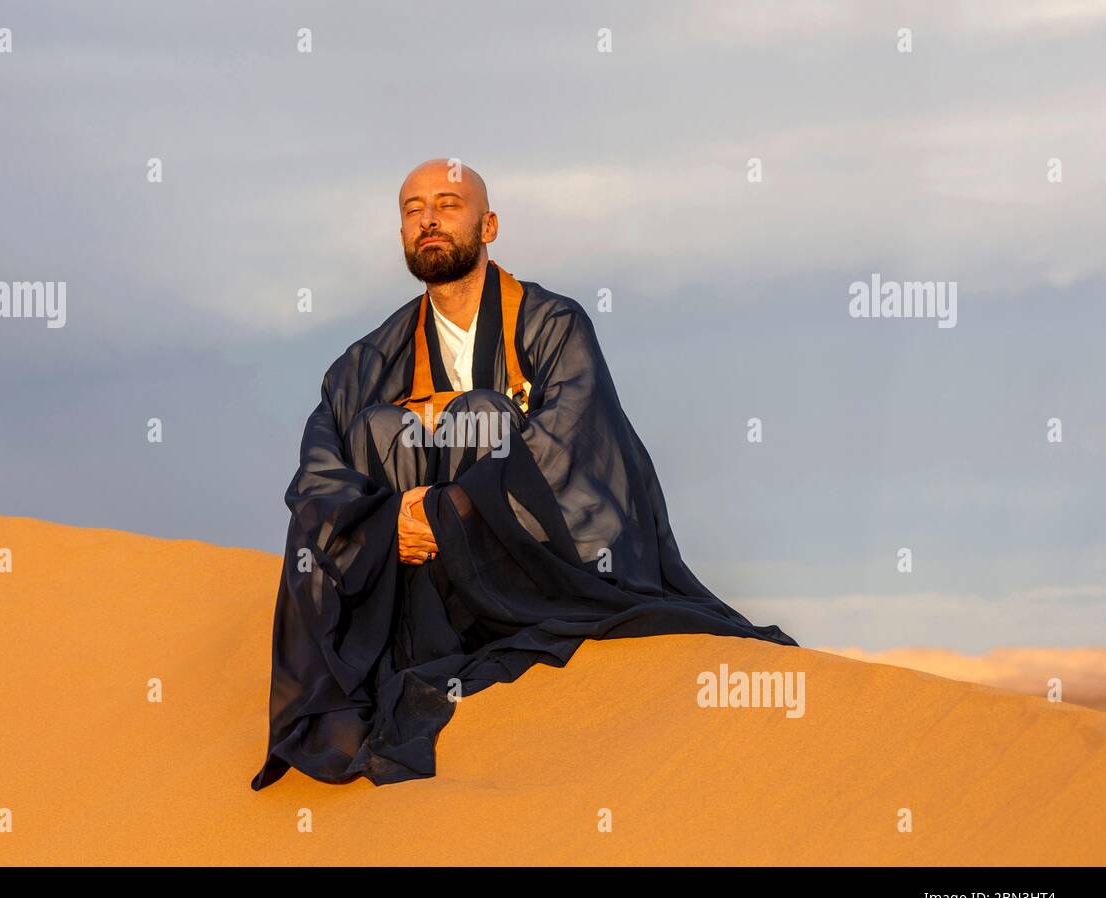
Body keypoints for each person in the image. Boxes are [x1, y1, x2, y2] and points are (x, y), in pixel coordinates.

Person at [250, 158, 798, 791]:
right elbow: (318, 471)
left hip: (528, 568)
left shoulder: (551, 324)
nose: (428, 219)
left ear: (489, 225)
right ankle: (414, 639)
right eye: (412, 209)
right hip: (412, 578)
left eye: (448, 205)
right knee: (379, 429)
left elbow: (572, 437)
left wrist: (447, 511)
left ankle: (486, 614)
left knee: (480, 415)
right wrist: (387, 522)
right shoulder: (366, 360)